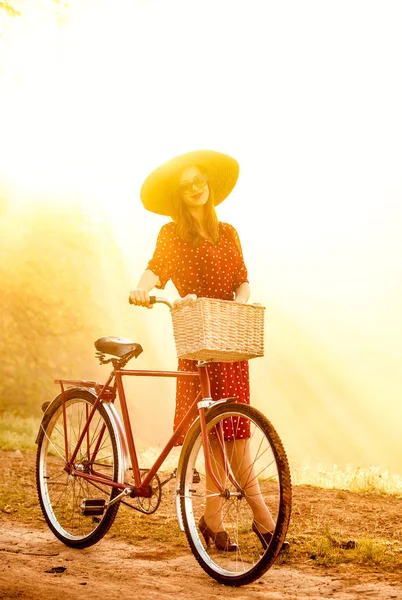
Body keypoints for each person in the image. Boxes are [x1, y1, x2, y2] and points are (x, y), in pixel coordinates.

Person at [129, 149, 286, 552]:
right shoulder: (172, 234)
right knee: (217, 437)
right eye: (187, 185)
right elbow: (156, 268)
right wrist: (143, 288)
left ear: (208, 185)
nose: (195, 188)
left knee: (234, 436)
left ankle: (212, 522)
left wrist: (238, 303)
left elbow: (242, 279)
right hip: (200, 340)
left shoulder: (228, 231)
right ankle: (264, 521)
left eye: (200, 181)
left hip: (228, 341)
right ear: (179, 195)